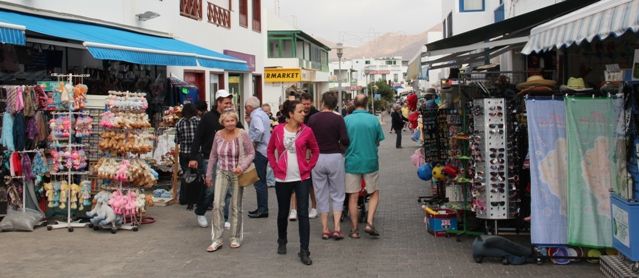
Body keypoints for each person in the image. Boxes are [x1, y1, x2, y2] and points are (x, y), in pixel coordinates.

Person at [267, 99, 319, 265]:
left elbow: (316, 150)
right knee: (283, 212)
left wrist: (308, 166)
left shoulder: (307, 131)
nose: (304, 114)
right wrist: (275, 167)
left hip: (301, 178)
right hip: (282, 178)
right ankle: (282, 240)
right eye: (300, 111)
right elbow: (270, 150)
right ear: (290, 114)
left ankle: (304, 250)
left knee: (303, 213)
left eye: (304, 111)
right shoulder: (278, 130)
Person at [189, 89, 241, 228]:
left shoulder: (232, 117)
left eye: (230, 102)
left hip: (229, 159)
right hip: (209, 158)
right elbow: (198, 137)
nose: (229, 105)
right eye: (226, 103)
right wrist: (193, 157)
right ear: (218, 103)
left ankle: (224, 217)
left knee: (228, 191)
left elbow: (241, 132)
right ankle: (201, 211)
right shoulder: (208, 117)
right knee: (210, 189)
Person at [205, 110, 255, 252]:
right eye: (227, 121)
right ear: (222, 122)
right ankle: (217, 239)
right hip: (222, 172)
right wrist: (208, 174)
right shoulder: (218, 135)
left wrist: (242, 166)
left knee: (235, 206)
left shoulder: (242, 134)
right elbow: (213, 155)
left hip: (237, 173)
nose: (230, 123)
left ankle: (235, 237)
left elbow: (251, 153)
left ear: (236, 120)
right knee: (217, 204)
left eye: (232, 120)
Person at [307, 92, 349, 240]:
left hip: (317, 158)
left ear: (323, 102)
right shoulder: (338, 119)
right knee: (338, 193)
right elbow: (345, 140)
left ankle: (325, 229)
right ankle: (337, 227)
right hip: (335, 157)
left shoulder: (312, 119)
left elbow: (307, 138)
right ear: (334, 105)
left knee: (321, 193)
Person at [344, 94, 384, 239]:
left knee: (353, 196)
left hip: (352, 162)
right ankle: (369, 222)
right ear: (367, 104)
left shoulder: (346, 120)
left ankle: (354, 230)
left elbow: (342, 141)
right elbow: (378, 141)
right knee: (373, 193)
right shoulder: (373, 119)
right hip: (370, 161)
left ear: (354, 103)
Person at [287, 92, 320, 220]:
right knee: (293, 183)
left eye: (308, 104)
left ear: (311, 103)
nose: (305, 107)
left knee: (311, 184)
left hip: (308, 154)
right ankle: (294, 210)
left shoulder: (316, 115)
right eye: (304, 104)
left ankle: (314, 207)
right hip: (295, 153)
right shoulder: (295, 114)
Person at [244, 96, 271, 218]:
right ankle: (262, 207)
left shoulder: (256, 115)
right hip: (265, 150)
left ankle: (262, 209)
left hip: (260, 151)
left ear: (250, 107)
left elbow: (259, 130)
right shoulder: (262, 114)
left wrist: (253, 142)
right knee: (261, 180)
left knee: (259, 181)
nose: (245, 110)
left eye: (246, 107)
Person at [175, 103, 200, 205]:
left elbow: (176, 140)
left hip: (184, 153)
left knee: (186, 174)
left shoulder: (179, 123)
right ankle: (195, 198)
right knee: (196, 174)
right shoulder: (198, 121)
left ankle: (184, 198)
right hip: (196, 152)